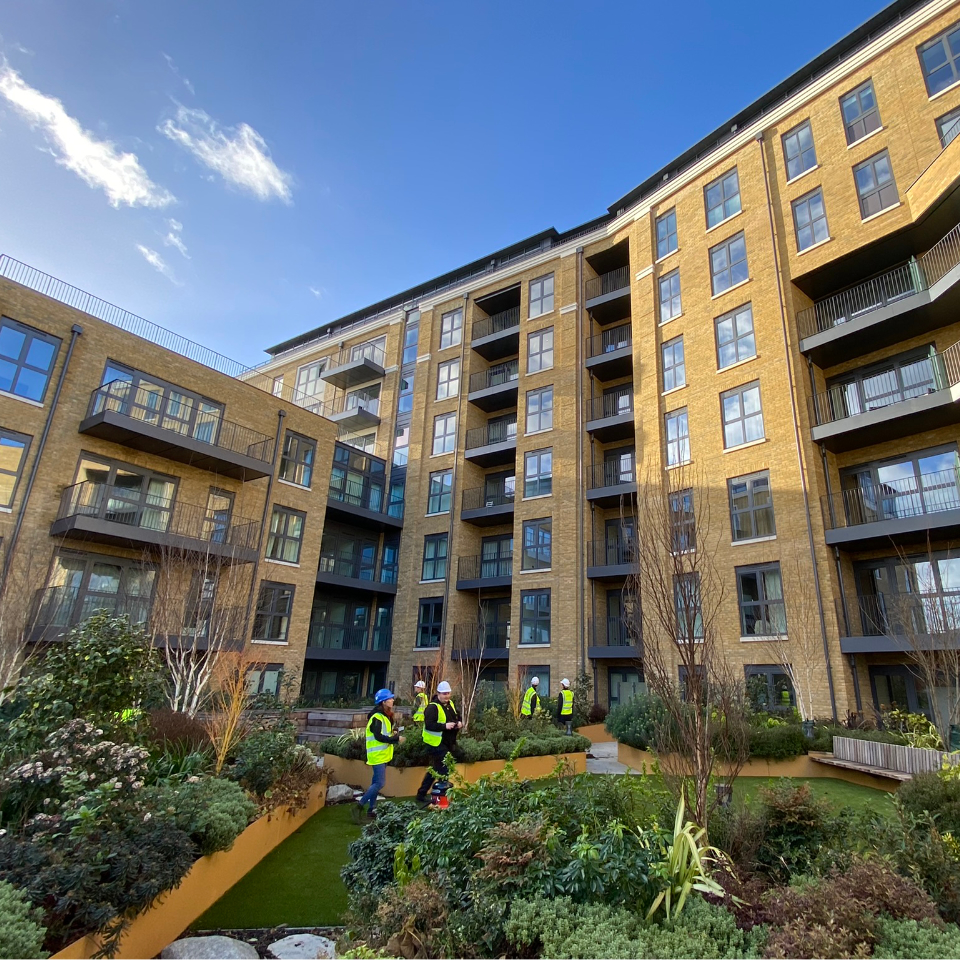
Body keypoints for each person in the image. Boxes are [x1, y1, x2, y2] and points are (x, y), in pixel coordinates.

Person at [357, 688, 404, 819]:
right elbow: (378, 737)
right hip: (377, 756)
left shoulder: (384, 716)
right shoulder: (377, 717)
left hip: (382, 755)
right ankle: (360, 805)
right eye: (390, 698)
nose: (393, 700)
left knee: (375, 782)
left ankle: (371, 809)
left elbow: (384, 733)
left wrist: (393, 733)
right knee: (379, 783)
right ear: (383, 702)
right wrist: (395, 739)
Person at [415, 680, 461, 805]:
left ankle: (422, 793)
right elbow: (429, 725)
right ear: (438, 694)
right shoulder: (432, 707)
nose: (447, 696)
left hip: (446, 741)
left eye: (448, 693)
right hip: (435, 743)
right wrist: (445, 726)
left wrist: (459, 722)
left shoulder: (449, 704)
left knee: (435, 769)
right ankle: (442, 793)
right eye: (444, 694)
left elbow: (457, 715)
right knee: (444, 768)